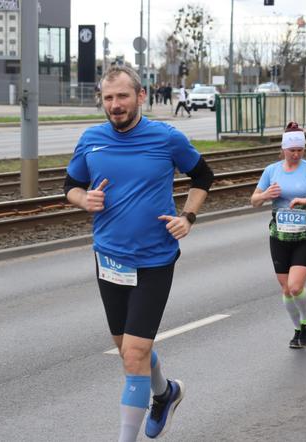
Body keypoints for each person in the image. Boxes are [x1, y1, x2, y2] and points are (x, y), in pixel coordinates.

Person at [64, 65, 214, 441]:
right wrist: (85, 199)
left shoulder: (166, 138)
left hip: (155, 259)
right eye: (108, 98)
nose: (115, 105)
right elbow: (70, 185)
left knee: (134, 355)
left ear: (141, 96)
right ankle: (166, 394)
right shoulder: (91, 139)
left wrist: (188, 216)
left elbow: (203, 176)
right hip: (109, 258)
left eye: (122, 97)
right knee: (128, 350)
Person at [250, 122, 306, 349]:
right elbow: (254, 200)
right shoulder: (272, 170)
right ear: (283, 149)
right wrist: (266, 195)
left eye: (300, 150)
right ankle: (297, 328)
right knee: (284, 289)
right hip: (279, 235)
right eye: (292, 150)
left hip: (305, 234)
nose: (297, 154)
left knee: (295, 287)